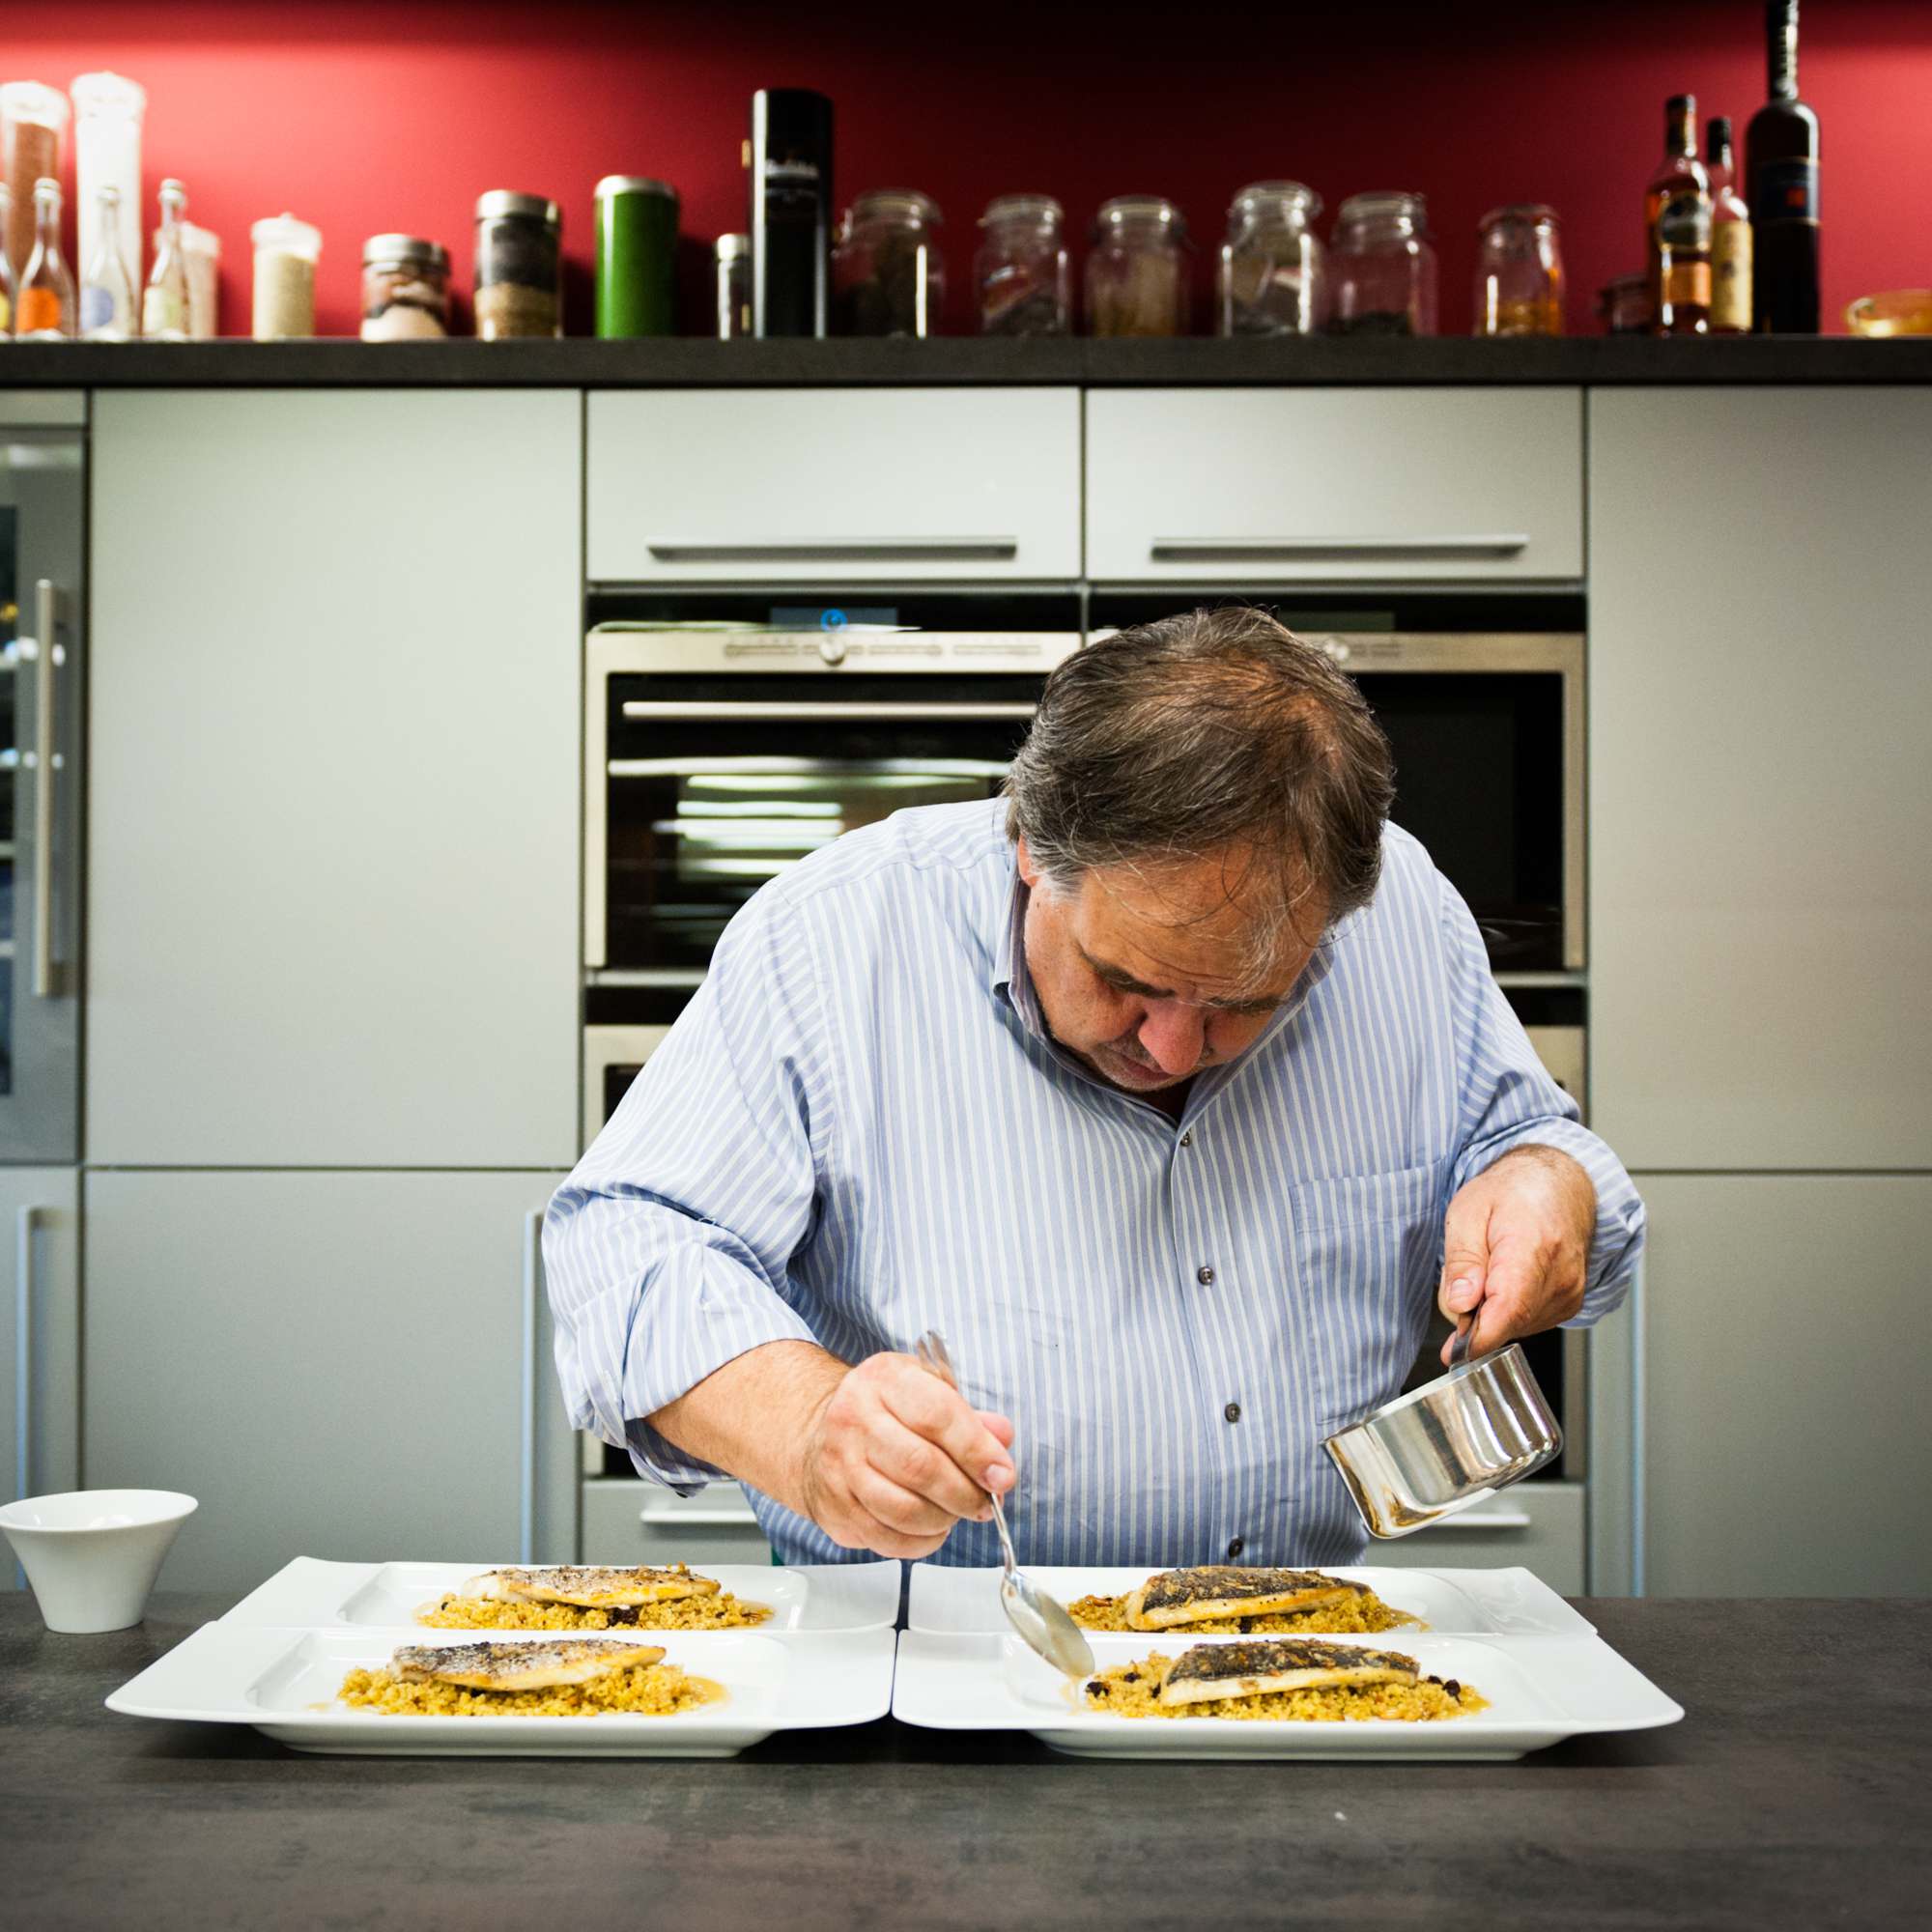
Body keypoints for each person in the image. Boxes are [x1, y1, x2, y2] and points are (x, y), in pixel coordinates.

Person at [545, 607, 1643, 1568]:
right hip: (930, 1676)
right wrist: (808, 1422)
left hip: (1294, 1664)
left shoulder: (1401, 914)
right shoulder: (830, 937)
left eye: (1243, 1002)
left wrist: (1545, 1181)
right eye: (1129, 980)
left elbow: (1530, 1141)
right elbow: (626, 1249)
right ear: (1030, 848)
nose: (1170, 1047)